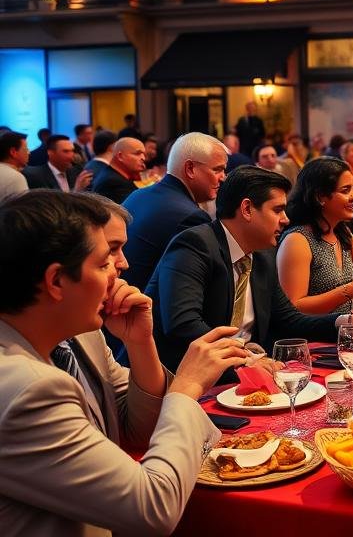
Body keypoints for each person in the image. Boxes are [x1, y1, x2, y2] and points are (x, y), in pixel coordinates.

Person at [0, 190, 249, 535]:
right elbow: (152, 508)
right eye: (104, 262)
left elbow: (139, 431)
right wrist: (186, 388)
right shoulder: (28, 389)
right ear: (56, 281)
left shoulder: (78, 334)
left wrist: (139, 341)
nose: (119, 271)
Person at [145, 166, 353, 372]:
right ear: (247, 209)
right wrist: (244, 358)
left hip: (249, 376)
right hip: (183, 382)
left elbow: (290, 320)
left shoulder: (262, 255)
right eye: (277, 210)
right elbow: (183, 323)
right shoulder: (195, 245)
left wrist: (347, 322)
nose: (285, 219)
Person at [278, 157, 353, 315]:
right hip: (310, 336)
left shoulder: (342, 231)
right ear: (320, 197)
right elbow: (295, 308)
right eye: (345, 190)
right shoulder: (297, 240)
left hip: (340, 329)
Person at [120, 133, 228, 289]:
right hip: (146, 308)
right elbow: (195, 284)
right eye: (217, 170)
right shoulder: (191, 217)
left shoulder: (138, 194)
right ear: (190, 168)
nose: (223, 178)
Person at [23, 134, 92, 193]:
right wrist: (76, 190)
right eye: (66, 151)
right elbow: (51, 205)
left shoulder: (77, 171)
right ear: (50, 153)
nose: (71, 155)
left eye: (72, 151)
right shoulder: (36, 176)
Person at [92, 137, 147, 203]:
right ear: (120, 156)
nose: (143, 158)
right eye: (137, 153)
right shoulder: (114, 182)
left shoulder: (111, 174)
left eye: (143, 154)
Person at [0, 131, 30, 202]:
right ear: (13, 152)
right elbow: (22, 210)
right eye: (26, 149)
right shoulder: (15, 178)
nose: (29, 152)